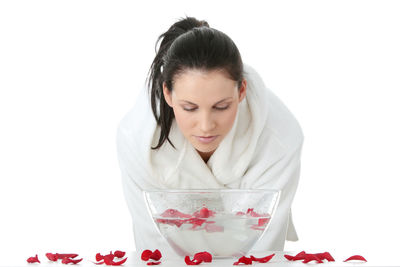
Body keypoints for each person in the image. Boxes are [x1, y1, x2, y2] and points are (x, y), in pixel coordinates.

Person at [116, 16, 304, 255]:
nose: (205, 126)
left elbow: (263, 250)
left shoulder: (279, 136)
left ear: (242, 90)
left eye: (221, 106)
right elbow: (155, 250)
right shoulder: (137, 139)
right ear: (168, 94)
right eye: (190, 108)